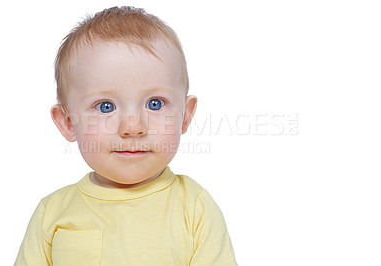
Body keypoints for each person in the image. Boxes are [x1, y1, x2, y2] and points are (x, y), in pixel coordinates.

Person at [15, 6, 237, 265]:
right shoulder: (51, 213)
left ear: (185, 116)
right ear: (67, 122)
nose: (132, 127)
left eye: (155, 103)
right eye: (105, 106)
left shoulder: (195, 209)